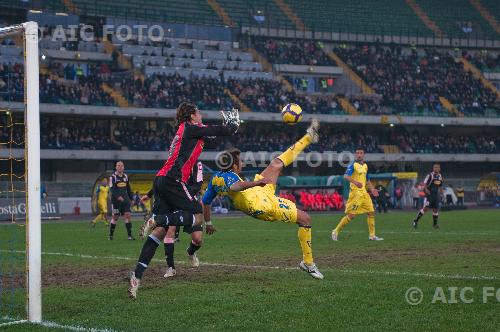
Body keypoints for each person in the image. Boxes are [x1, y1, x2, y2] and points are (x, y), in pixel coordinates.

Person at [128, 103, 240, 299]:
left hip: (161, 180)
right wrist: (229, 127)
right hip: (173, 180)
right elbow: (215, 130)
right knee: (197, 216)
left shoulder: (187, 132)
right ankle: (158, 220)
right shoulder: (190, 128)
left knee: (158, 235)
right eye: (199, 113)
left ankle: (136, 277)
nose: (201, 115)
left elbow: (213, 137)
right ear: (191, 116)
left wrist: (228, 129)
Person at [201, 120, 323, 279]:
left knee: (276, 163)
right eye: (240, 161)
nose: (242, 163)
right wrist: (257, 182)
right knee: (306, 219)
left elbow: (205, 201)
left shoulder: (216, 178)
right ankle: (308, 263)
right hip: (261, 206)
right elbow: (236, 187)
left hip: (258, 192)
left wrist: (208, 223)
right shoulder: (231, 178)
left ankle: (308, 137)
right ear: (234, 166)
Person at [331, 148, 384, 241]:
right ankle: (335, 231)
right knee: (352, 215)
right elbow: (346, 176)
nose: (359, 155)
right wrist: (356, 182)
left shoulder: (365, 166)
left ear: (364, 154)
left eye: (361, 153)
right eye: (357, 153)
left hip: (364, 193)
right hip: (356, 194)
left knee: (371, 212)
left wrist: (372, 189)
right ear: (356, 155)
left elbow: (367, 180)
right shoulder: (353, 165)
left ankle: (372, 236)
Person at [412, 163, 444, 229]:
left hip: (435, 195)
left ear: (439, 168)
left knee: (435, 210)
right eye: (435, 167)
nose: (436, 168)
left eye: (437, 167)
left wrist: (442, 193)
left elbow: (440, 186)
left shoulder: (440, 176)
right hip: (429, 194)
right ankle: (415, 221)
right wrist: (426, 190)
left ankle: (434, 225)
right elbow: (425, 184)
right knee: (426, 209)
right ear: (433, 168)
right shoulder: (430, 175)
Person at [109, 161, 134, 240]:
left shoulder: (125, 176)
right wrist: (118, 196)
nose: (120, 167)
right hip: (116, 202)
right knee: (115, 217)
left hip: (125, 201)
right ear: (116, 167)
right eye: (118, 165)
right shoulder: (113, 177)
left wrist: (131, 198)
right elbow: (112, 189)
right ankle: (111, 235)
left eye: (121, 165)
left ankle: (129, 236)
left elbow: (128, 189)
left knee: (128, 216)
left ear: (123, 167)